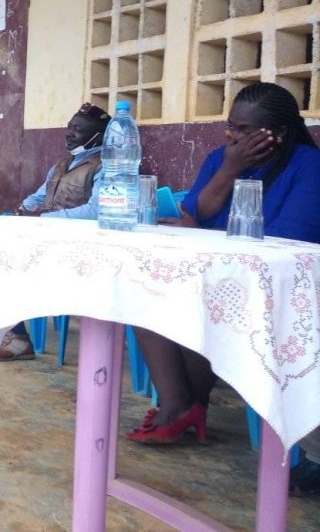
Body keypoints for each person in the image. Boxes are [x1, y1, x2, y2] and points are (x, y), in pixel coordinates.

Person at [128, 82, 320, 444]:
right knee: (146, 291)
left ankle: (181, 408)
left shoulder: (309, 166)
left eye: (245, 130)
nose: (232, 136)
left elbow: (288, 241)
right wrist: (230, 169)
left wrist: (202, 230)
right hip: (218, 275)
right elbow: (194, 212)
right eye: (231, 126)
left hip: (277, 287)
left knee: (205, 304)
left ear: (278, 132)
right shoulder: (222, 158)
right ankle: (180, 406)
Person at [0, 102, 111, 361]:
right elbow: (39, 196)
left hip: (80, 247)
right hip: (47, 236)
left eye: (78, 130)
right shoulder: (62, 165)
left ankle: (18, 339)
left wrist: (43, 219)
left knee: (10, 263)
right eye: (69, 127)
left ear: (98, 137)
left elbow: (96, 211)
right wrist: (22, 210)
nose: (69, 134)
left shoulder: (107, 167)